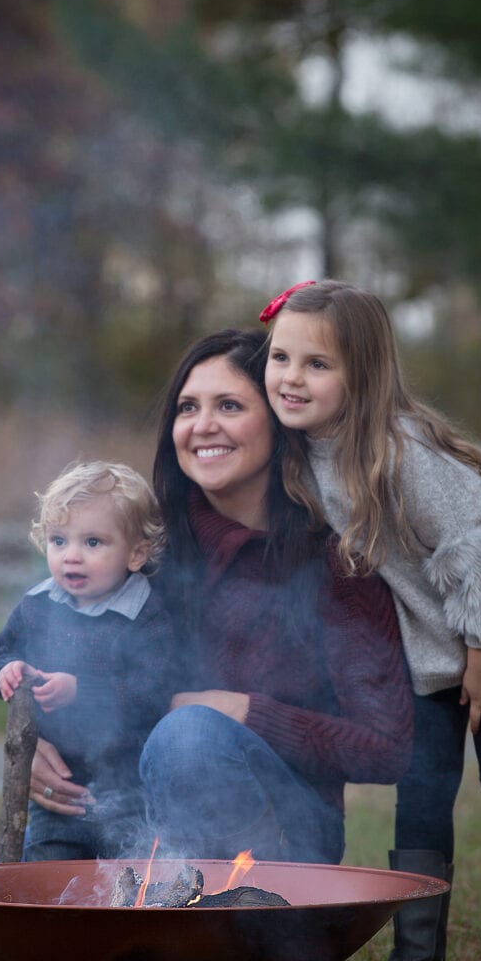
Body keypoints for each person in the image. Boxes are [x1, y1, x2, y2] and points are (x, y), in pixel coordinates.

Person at [260, 278, 481, 961]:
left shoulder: (397, 452)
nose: (290, 379)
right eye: (279, 358)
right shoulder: (301, 451)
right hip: (431, 636)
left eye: (316, 364)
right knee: (421, 784)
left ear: (360, 376)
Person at [32, 328, 414, 867]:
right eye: (188, 407)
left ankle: (218, 930)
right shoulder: (142, 551)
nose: (203, 425)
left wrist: (244, 712)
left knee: (188, 736)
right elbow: (75, 667)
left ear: (280, 424)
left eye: (229, 405)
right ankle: (142, 926)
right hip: (128, 823)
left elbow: (387, 748)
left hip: (283, 843)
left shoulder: (336, 559)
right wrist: (37, 745)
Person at [0, 460, 178, 961]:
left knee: (117, 903)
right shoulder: (38, 605)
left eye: (93, 542)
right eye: (59, 540)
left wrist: (86, 689)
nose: (71, 555)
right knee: (42, 893)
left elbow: (156, 689)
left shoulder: (147, 614)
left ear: (138, 552)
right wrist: (6, 672)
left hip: (130, 800)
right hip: (56, 801)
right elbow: (2, 654)